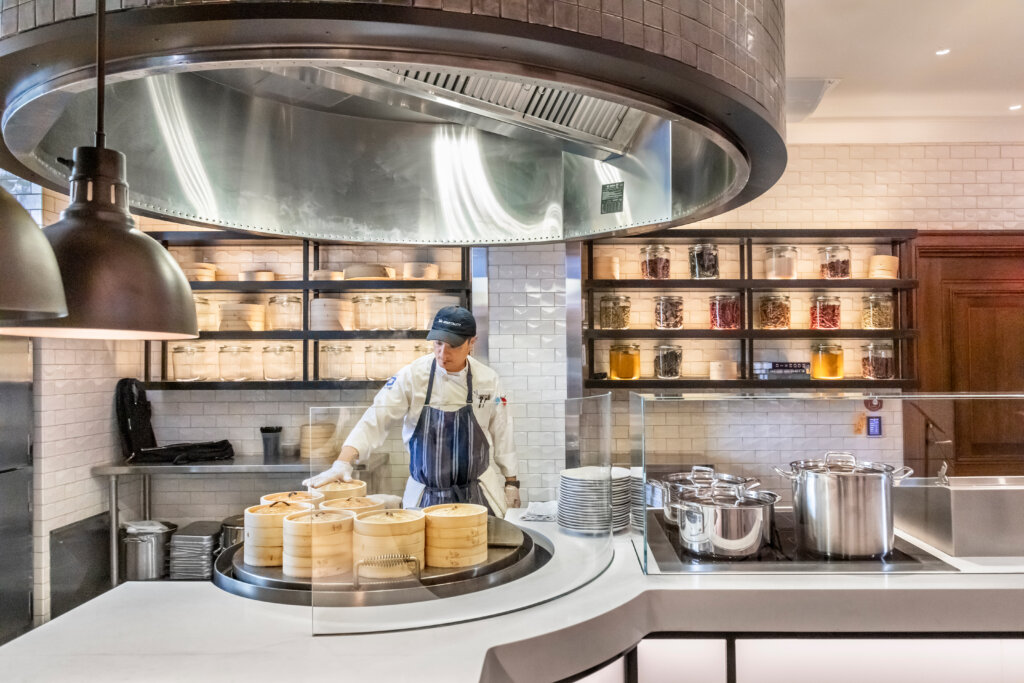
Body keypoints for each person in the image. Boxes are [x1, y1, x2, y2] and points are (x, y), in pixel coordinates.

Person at [303, 306, 520, 516]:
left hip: (478, 495)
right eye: (438, 343)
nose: (443, 353)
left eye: (452, 346)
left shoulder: (488, 380)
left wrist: (511, 482)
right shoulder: (413, 376)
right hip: (425, 496)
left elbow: (503, 431)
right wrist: (343, 461)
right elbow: (376, 417)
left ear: (471, 342)